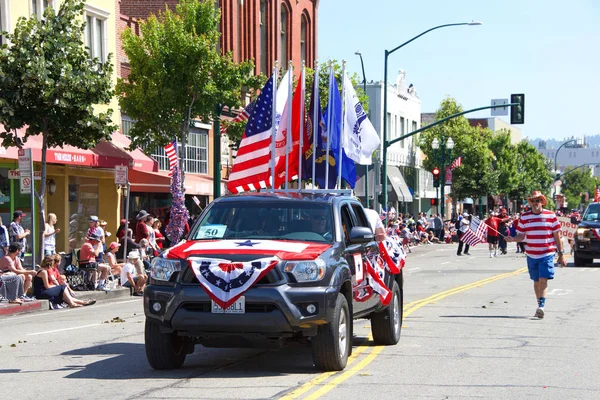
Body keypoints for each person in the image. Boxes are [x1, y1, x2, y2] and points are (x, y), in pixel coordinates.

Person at [506, 190, 567, 319]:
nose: (535, 203)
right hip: (531, 254)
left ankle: (541, 307)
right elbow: (521, 235)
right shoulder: (525, 217)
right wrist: (512, 239)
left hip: (547, 253)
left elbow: (557, 235)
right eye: (533, 201)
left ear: (542, 202)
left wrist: (561, 254)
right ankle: (539, 304)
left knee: (543, 279)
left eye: (537, 200)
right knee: (536, 281)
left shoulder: (550, 215)